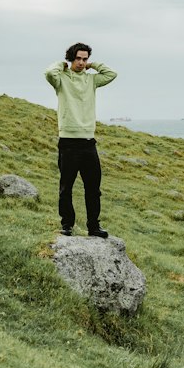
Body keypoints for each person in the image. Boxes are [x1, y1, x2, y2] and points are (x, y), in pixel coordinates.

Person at [44, 43, 117, 238]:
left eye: (85, 59)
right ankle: (67, 224)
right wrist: (63, 64)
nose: (82, 63)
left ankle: (94, 226)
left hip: (88, 142)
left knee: (93, 188)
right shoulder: (61, 80)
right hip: (68, 141)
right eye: (78, 59)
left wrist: (93, 65)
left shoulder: (91, 80)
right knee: (66, 187)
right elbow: (49, 73)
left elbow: (112, 74)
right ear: (71, 58)